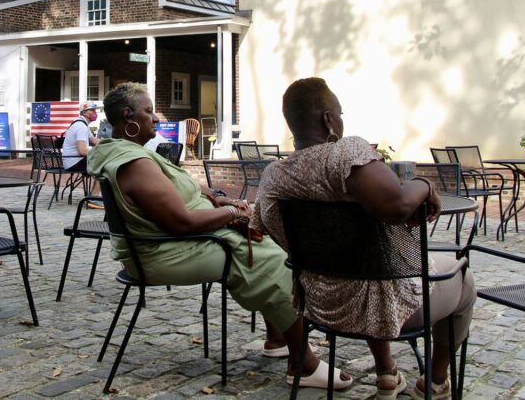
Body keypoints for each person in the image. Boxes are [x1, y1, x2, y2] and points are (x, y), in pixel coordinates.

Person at [88, 83, 352, 390]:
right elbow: (183, 222)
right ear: (127, 116)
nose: (156, 119)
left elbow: (178, 188)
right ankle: (303, 364)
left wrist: (217, 198)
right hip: (163, 253)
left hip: (160, 246)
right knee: (276, 259)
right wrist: (235, 215)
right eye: (149, 112)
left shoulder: (121, 152)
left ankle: (278, 337)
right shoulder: (135, 164)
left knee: (262, 243)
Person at [252, 78, 476, 400]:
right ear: (329, 118)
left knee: (369, 266)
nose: (342, 120)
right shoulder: (346, 154)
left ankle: (387, 373)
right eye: (339, 113)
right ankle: (436, 381)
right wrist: (425, 186)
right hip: (386, 308)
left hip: (321, 306)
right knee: (464, 278)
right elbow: (397, 204)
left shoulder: (275, 176)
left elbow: (270, 228)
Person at [61, 101, 100, 172]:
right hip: (74, 163)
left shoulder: (82, 123)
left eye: (95, 110)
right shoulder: (81, 126)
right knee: (104, 165)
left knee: (102, 163)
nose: (95, 112)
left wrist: (111, 143)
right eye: (92, 110)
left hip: (73, 161)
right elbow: (82, 151)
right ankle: (98, 183)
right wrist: (100, 153)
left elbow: (94, 141)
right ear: (84, 112)